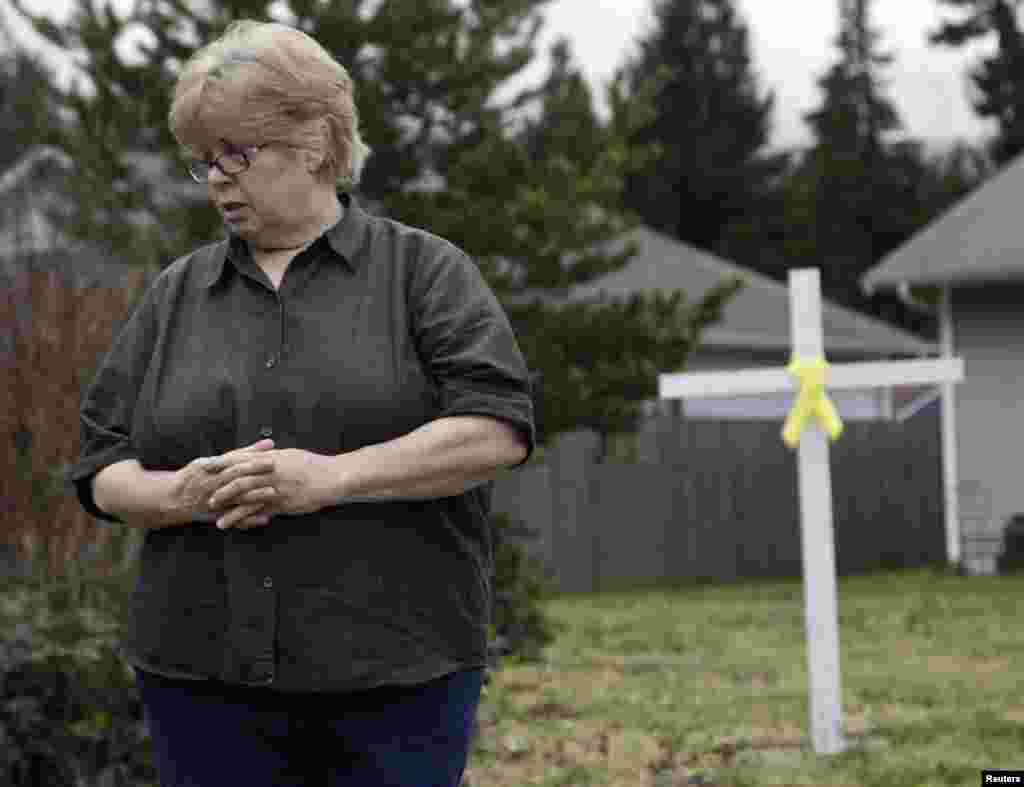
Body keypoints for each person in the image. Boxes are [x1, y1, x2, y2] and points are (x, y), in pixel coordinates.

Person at [68, 19, 535, 787]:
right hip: (200, 680)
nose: (217, 177)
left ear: (316, 141)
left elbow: (496, 429)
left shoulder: (424, 274)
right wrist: (179, 493)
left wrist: (330, 478)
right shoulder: (175, 295)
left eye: (238, 154)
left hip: (397, 678)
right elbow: (100, 465)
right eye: (203, 160)